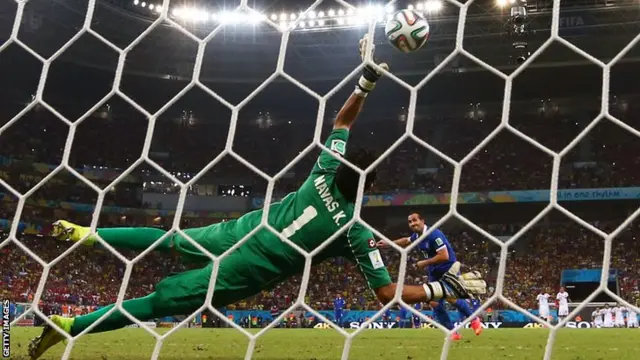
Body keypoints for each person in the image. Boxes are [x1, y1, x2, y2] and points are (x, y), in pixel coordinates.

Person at [28, 36, 486, 359]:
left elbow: (341, 125)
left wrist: (365, 83)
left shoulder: (324, 171)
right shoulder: (355, 231)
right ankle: (68, 327)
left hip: (241, 230)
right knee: (157, 301)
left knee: (166, 239)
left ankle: (88, 233)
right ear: (368, 189)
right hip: (246, 268)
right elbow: (386, 292)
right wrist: (434, 289)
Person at [376, 212, 483, 340]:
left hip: (447, 270)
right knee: (433, 302)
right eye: (410, 222)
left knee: (452, 298)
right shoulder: (417, 236)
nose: (412, 224)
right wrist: (389, 243)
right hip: (434, 272)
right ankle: (452, 332)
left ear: (422, 221)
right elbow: (406, 240)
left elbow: (444, 256)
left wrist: (424, 263)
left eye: (415, 220)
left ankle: (474, 320)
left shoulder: (434, 234)